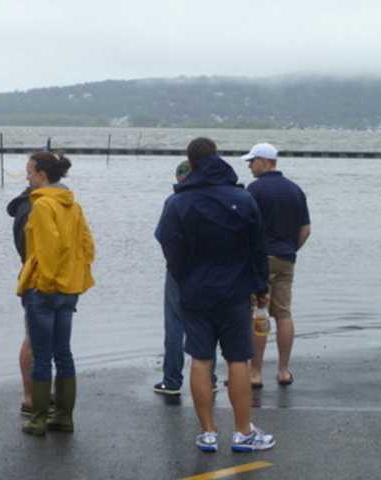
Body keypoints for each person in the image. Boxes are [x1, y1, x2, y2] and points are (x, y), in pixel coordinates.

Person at [156, 137, 275, 452]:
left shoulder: (178, 202)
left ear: (190, 162)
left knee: (200, 358)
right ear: (217, 157)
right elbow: (257, 247)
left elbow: (167, 241)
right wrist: (261, 286)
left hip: (194, 290)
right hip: (235, 290)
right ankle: (241, 431)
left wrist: (182, 275)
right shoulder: (242, 198)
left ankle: (208, 432)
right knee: (238, 358)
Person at [17, 151, 95, 437]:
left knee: (41, 356)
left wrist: (45, 283)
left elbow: (48, 249)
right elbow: (87, 246)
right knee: (64, 353)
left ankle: (38, 418)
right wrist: (76, 278)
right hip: (70, 289)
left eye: (29, 170)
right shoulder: (73, 206)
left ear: (42, 174)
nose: (27, 175)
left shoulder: (41, 206)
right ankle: (64, 417)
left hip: (45, 290)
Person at [243, 143, 311, 387]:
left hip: (260, 261)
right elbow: (305, 228)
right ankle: (283, 370)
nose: (249, 166)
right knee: (283, 314)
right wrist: (292, 250)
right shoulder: (295, 190)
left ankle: (255, 373)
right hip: (286, 259)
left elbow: (245, 227)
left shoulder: (254, 190)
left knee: (259, 313)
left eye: (252, 161)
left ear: (264, 161)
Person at [153, 160, 218, 396]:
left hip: (179, 272)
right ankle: (209, 378)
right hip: (211, 271)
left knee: (174, 325)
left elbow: (163, 236)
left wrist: (176, 264)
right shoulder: (217, 199)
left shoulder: (174, 202)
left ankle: (172, 380)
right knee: (209, 326)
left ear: (181, 179)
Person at [6, 187, 34, 416]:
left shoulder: (39, 204)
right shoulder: (30, 208)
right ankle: (29, 395)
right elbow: (27, 249)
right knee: (32, 338)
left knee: (40, 339)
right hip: (35, 280)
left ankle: (38, 392)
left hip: (42, 279)